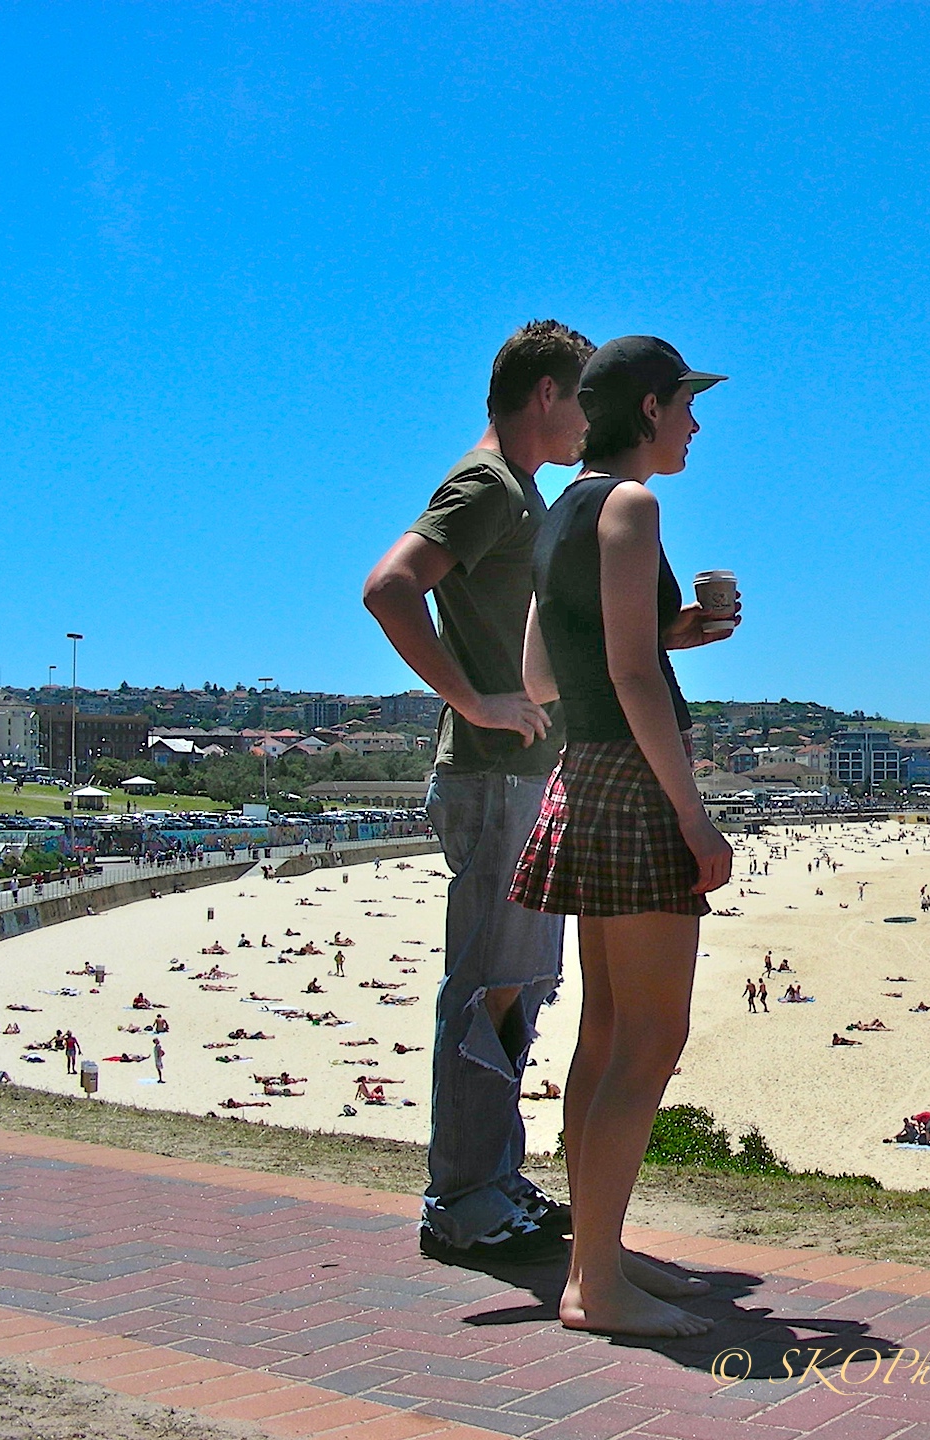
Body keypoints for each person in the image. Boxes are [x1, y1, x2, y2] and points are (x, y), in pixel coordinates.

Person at [507, 336, 735, 1338]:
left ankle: (598, 1253)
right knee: (651, 1035)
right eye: (686, 404)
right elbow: (629, 678)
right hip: (637, 784)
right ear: (649, 407)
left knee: (604, 1036)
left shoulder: (563, 512)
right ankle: (595, 1286)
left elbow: (545, 676)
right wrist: (695, 815)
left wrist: (666, 628)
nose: (694, 423)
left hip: (582, 775)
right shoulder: (634, 506)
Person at [364, 321, 594, 1268]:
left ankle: (493, 1178)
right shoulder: (488, 485)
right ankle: (463, 1200)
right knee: (490, 988)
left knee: (520, 985)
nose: (593, 421)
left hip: (522, 783)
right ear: (546, 394)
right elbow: (389, 587)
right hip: (496, 782)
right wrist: (475, 699)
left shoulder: (519, 492)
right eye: (586, 398)